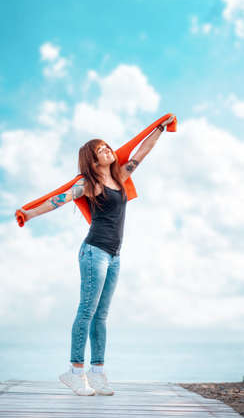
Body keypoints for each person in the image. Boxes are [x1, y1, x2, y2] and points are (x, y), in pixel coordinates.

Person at [15, 115, 175, 396]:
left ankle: (97, 372)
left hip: (114, 255)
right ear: (92, 160)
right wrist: (29, 213)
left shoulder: (120, 176)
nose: (107, 150)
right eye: (100, 149)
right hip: (94, 252)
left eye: (107, 146)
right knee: (87, 311)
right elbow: (57, 201)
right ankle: (75, 372)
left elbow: (142, 152)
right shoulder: (88, 184)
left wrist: (160, 128)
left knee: (101, 315)